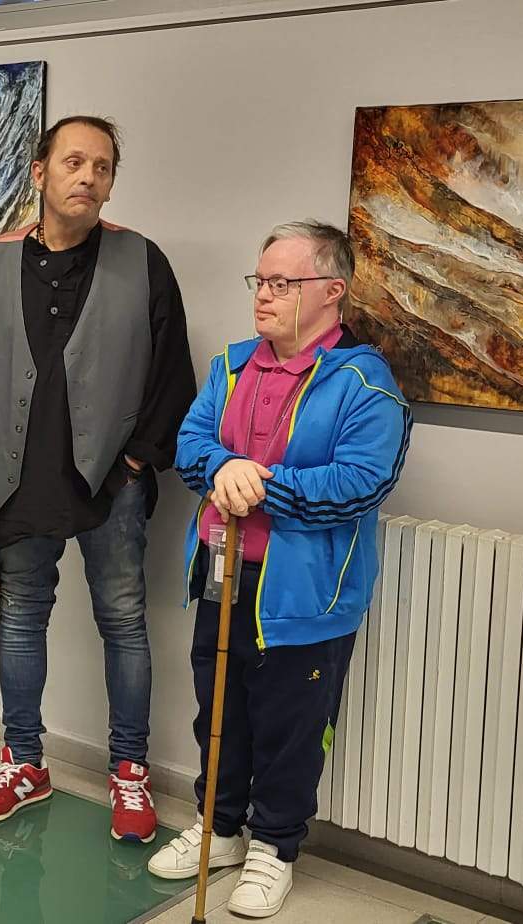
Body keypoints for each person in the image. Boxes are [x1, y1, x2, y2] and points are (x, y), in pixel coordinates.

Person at [0, 115, 197, 845]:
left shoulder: (143, 260)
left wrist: (136, 460)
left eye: (102, 167)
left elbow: (174, 377)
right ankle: (23, 762)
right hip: (17, 479)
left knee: (123, 622)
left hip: (112, 485)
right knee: (20, 620)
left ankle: (129, 770)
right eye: (74, 162)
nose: (89, 177)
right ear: (40, 173)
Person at [146, 221, 411, 918]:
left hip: (305, 591)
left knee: (291, 724)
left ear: (332, 291)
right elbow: (190, 442)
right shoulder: (231, 366)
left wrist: (256, 484)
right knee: (219, 710)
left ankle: (275, 846)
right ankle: (219, 827)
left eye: (281, 282)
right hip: (222, 572)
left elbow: (361, 482)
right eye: (259, 280)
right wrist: (221, 466)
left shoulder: (365, 383)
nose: (262, 295)